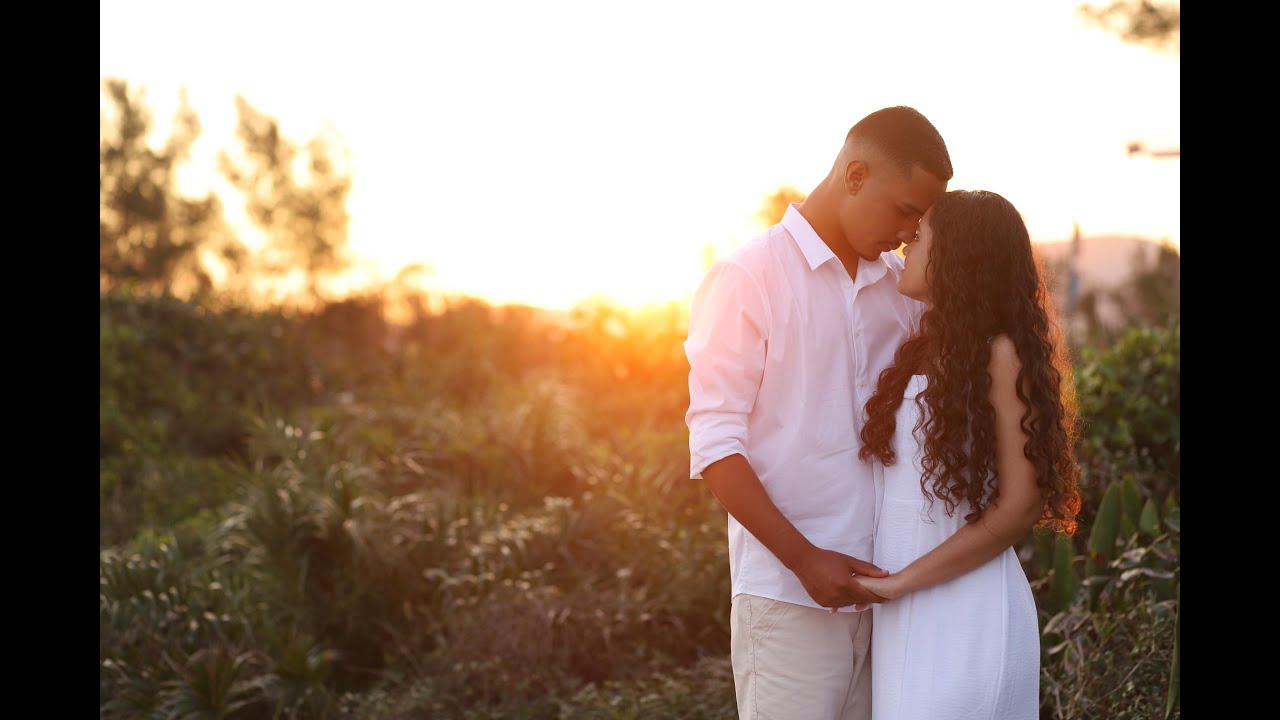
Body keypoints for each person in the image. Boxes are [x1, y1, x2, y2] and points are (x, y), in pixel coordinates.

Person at [684, 106, 953, 720]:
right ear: (855, 175)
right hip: (787, 600)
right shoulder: (746, 278)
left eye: (921, 219)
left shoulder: (901, 289)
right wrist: (805, 560)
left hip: (892, 597)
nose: (911, 231)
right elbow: (715, 443)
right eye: (904, 209)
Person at [851, 189, 1083, 719]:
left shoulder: (1002, 354)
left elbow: (1021, 507)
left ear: (958, 253)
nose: (908, 241)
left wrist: (904, 581)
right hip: (903, 611)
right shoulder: (928, 351)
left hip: (964, 610)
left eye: (921, 233)